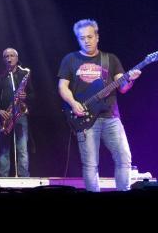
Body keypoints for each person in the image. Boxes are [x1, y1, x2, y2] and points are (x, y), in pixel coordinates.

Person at [57, 19, 141, 192]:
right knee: (90, 164)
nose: (86, 40)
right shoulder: (70, 59)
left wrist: (130, 80)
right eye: (82, 38)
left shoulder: (110, 59)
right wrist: (73, 104)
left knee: (124, 158)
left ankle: (124, 192)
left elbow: (122, 87)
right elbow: (62, 87)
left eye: (89, 36)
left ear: (97, 37)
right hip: (84, 117)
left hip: (111, 117)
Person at [0, 47, 31, 177]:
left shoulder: (24, 74)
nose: (9, 58)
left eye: (12, 56)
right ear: (3, 60)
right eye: (6, 56)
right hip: (4, 116)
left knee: (22, 149)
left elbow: (34, 94)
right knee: (4, 150)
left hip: (20, 115)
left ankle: (24, 178)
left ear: (17, 58)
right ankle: (3, 178)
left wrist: (26, 96)